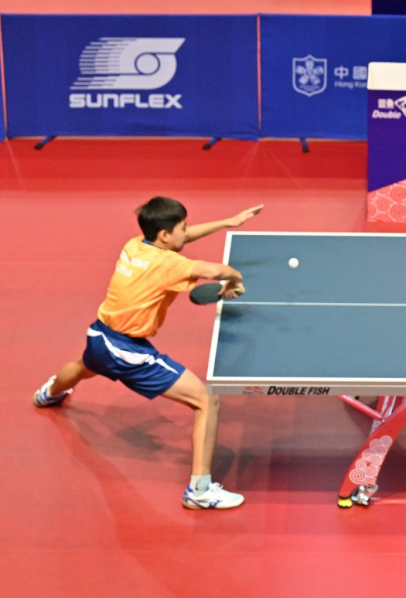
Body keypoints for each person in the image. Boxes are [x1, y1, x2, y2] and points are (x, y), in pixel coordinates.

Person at [33, 196, 264, 510]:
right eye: (182, 228)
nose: (186, 232)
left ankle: (47, 394)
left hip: (100, 334)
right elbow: (220, 269)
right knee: (207, 401)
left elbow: (181, 240)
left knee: (84, 365)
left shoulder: (134, 245)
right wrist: (233, 281)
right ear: (165, 234)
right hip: (128, 352)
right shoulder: (169, 265)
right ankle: (200, 491)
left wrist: (228, 222)